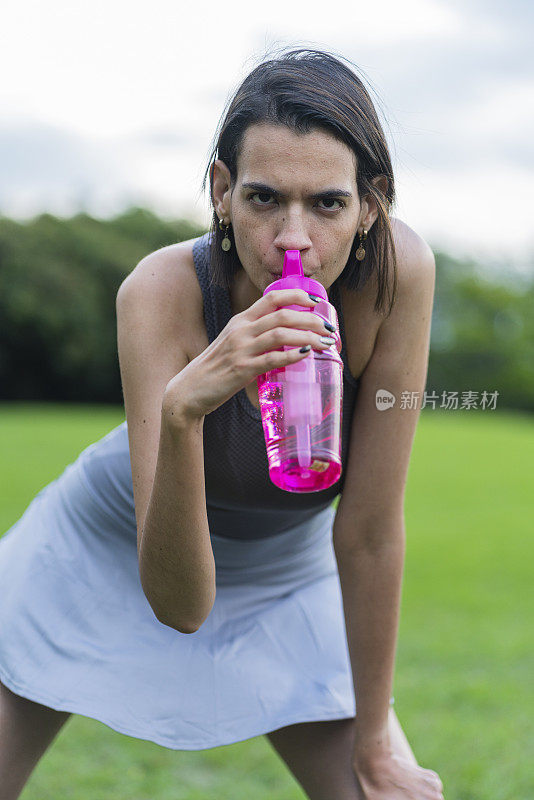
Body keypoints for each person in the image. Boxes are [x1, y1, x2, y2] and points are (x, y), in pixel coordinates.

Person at [0, 47, 444, 800]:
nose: (292, 239)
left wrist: (374, 742)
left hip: (288, 570)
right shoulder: (161, 292)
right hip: (108, 545)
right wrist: (184, 410)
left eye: (328, 204)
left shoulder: (399, 277)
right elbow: (181, 607)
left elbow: (368, 533)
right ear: (221, 191)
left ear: (372, 205)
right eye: (264, 198)